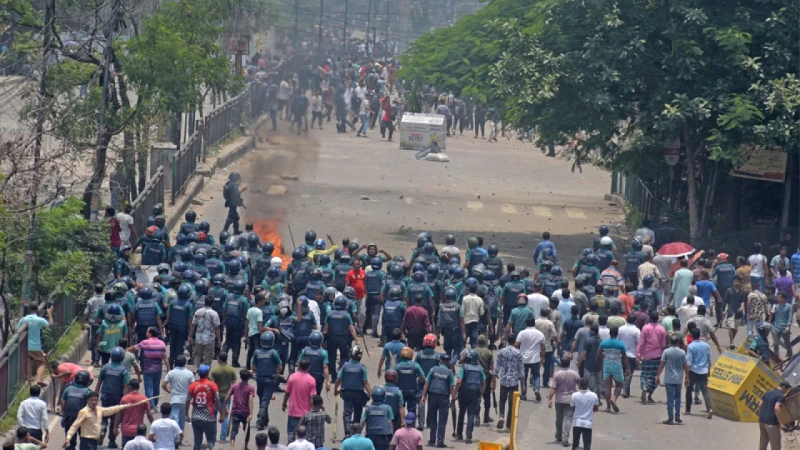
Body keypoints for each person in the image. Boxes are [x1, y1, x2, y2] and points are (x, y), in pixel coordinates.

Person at [63, 392, 134, 450]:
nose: (94, 402)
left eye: (96, 400)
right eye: (92, 400)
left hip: (94, 441)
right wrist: (68, 438)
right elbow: (75, 425)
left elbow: (111, 409)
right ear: (88, 400)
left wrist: (125, 406)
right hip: (86, 442)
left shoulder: (99, 410)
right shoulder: (84, 412)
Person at [95, 347, 130, 448]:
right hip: (117, 397)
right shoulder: (123, 370)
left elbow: (99, 382)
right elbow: (125, 387)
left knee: (104, 415)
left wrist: (95, 395)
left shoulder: (105, 367)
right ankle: (111, 441)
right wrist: (126, 400)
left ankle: (102, 428)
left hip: (105, 395)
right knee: (115, 419)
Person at [420, 354, 454, 448]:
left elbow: (427, 383)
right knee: (442, 420)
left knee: (432, 419)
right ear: (447, 361)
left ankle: (431, 440)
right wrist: (454, 398)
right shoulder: (449, 372)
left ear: (440, 360)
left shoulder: (433, 369)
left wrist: (423, 396)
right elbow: (451, 387)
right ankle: (440, 441)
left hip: (432, 397)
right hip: (444, 398)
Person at [186, 365, 224, 450]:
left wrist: (186, 414)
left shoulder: (192, 385)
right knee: (211, 440)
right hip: (208, 417)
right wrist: (221, 414)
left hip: (195, 416)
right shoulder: (213, 385)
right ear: (207, 373)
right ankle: (206, 448)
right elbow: (217, 401)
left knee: (197, 441)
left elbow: (188, 400)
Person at [130, 327, 169, 409]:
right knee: (156, 387)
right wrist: (168, 369)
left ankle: (151, 405)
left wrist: (125, 351)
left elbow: (134, 347)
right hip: (158, 369)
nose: (146, 333)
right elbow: (165, 358)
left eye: (147, 332)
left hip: (147, 369)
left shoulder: (145, 342)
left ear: (150, 333)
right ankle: (155, 403)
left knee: (148, 388)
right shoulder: (162, 343)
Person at [656, 334, 689, 425]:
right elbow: (685, 366)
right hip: (678, 378)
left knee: (670, 398)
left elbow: (662, 365)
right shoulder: (682, 352)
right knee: (678, 397)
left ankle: (670, 417)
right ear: (678, 342)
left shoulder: (666, 352)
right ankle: (677, 416)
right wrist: (687, 377)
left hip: (669, 378)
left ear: (670, 342)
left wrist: (658, 376)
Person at [18, 302, 53, 387]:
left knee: (28, 363)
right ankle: (38, 379)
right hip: (36, 346)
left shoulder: (24, 319)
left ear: (29, 310)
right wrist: (49, 313)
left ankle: (28, 382)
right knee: (41, 363)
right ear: (37, 310)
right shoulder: (39, 320)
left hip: (25, 346)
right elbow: (50, 324)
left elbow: (18, 329)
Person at [494, 332, 524, 430]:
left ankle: (501, 416)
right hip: (514, 381)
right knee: (512, 403)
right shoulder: (518, 353)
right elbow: (521, 370)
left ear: (506, 340)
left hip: (504, 380)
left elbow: (497, 367)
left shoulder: (501, 352)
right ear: (515, 341)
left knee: (502, 400)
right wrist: (523, 385)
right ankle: (508, 425)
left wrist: (493, 380)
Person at [454, 351, 485, 444]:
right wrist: (481, 394)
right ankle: (468, 436)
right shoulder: (480, 369)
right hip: (475, 394)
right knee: (471, 414)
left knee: (462, 412)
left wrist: (455, 392)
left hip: (464, 393)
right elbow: (484, 383)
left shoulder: (464, 367)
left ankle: (459, 433)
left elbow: (459, 381)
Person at [548, 356, 580, 447]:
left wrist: (549, 399)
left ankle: (559, 435)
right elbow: (581, 384)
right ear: (569, 364)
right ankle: (565, 438)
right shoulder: (574, 374)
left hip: (559, 399)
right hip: (571, 400)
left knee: (559, 417)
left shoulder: (557, 374)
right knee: (568, 419)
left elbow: (553, 388)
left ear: (561, 364)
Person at [284, 358, 317, 440]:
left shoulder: (292, 377)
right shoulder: (311, 380)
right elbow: (312, 398)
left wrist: (284, 403)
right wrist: (315, 410)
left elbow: (287, 392)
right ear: (309, 367)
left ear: (298, 366)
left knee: (291, 432)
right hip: (305, 412)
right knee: (304, 434)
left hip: (293, 411)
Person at [598, 326, 629, 412]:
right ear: (617, 334)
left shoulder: (604, 343)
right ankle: (614, 399)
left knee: (607, 387)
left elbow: (598, 353)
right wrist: (627, 368)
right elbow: (625, 357)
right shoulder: (620, 344)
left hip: (607, 364)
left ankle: (608, 407)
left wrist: (603, 357)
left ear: (609, 333)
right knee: (619, 385)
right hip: (617, 364)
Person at [637, 311, 666, 404]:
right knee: (654, 376)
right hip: (657, 356)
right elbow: (663, 344)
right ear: (657, 319)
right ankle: (649, 394)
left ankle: (644, 386)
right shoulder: (661, 329)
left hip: (646, 355)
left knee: (644, 374)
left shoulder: (645, 328)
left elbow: (641, 343)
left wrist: (638, 355)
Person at [162, 355, 195, 434]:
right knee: (182, 419)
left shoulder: (171, 373)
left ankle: (174, 435)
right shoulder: (189, 373)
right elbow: (193, 387)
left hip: (174, 399)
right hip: (185, 399)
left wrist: (169, 391)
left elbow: (163, 385)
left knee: (174, 417)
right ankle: (180, 435)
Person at [515, 316, 545, 401]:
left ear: (526, 323)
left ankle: (524, 393)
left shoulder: (522, 333)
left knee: (523, 376)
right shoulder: (539, 334)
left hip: (523, 358)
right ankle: (536, 389)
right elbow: (543, 347)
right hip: (535, 358)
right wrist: (542, 357)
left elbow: (517, 345)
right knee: (536, 375)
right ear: (534, 323)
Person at [117, 380, 154, 448]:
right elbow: (149, 414)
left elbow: (119, 414)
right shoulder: (144, 398)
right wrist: (154, 425)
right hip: (139, 431)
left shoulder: (124, 398)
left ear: (130, 387)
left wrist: (115, 427)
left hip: (126, 430)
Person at [211, 352, 238, 440]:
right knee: (225, 416)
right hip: (227, 396)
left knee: (214, 415)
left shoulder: (214, 370)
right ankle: (222, 437)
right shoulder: (231, 370)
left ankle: (213, 435)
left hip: (216, 396)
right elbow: (234, 384)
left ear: (219, 359)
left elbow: (212, 385)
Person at [224, 370, 254, 450]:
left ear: (240, 377)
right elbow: (250, 401)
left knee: (234, 430)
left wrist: (224, 407)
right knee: (247, 430)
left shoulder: (235, 386)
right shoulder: (251, 388)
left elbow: (227, 397)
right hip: (245, 412)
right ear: (249, 378)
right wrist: (251, 414)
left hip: (235, 412)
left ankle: (232, 447)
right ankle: (245, 447)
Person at [758, 381, 791, 450]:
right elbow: (776, 408)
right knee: (776, 446)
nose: (786, 392)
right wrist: (781, 423)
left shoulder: (768, 392)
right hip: (771, 424)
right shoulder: (780, 396)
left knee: (763, 442)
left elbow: (760, 404)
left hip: (762, 421)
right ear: (784, 387)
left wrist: (761, 416)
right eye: (786, 390)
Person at [189, 298, 221, 367]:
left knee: (197, 355)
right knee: (208, 357)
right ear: (212, 303)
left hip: (198, 338)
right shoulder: (214, 313)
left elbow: (193, 324)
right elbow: (217, 328)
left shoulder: (198, 311)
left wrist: (190, 336)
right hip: (209, 338)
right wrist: (219, 340)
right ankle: (206, 375)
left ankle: (195, 370)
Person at [577, 325, 603, 405]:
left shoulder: (588, 341)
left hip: (589, 365)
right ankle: (597, 399)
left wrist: (579, 362)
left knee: (591, 384)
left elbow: (584, 353)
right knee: (599, 383)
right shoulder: (601, 341)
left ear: (592, 331)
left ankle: (592, 400)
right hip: (598, 365)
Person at [570, 377, 599, 450]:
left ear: (579, 385)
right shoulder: (594, 395)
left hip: (577, 422)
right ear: (588, 385)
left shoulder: (574, 395)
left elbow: (572, 409)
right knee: (587, 444)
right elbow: (596, 409)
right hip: (588, 423)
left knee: (575, 443)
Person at [723, 275, 747, 349]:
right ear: (733, 282)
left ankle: (732, 339)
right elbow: (725, 301)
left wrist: (742, 307)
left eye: (738, 281)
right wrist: (723, 311)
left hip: (738, 312)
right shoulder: (729, 291)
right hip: (731, 311)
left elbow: (743, 301)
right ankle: (731, 342)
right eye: (735, 281)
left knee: (735, 329)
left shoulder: (742, 291)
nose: (737, 283)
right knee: (731, 327)